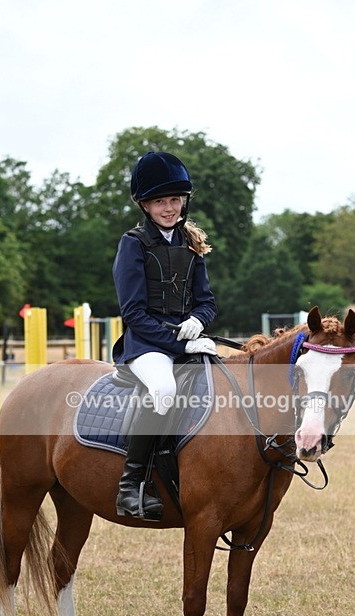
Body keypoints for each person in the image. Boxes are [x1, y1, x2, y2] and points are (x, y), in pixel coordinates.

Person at [112, 152, 218, 519]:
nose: (170, 208)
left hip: (185, 339)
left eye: (175, 200)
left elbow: (206, 301)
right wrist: (179, 342)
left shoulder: (190, 242)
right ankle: (131, 485)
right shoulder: (133, 243)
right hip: (145, 345)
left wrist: (198, 322)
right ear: (145, 204)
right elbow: (134, 314)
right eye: (161, 201)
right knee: (164, 391)